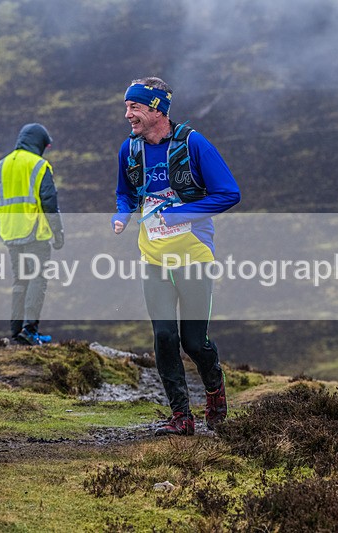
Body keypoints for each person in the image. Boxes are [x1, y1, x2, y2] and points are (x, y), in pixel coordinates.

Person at [112, 77, 241, 435]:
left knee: (193, 342)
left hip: (194, 256)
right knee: (165, 337)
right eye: (126, 107)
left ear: (157, 109)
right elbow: (125, 193)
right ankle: (181, 417)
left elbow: (229, 193)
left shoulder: (193, 143)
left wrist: (182, 215)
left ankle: (214, 389)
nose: (127, 115)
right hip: (153, 259)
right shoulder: (130, 150)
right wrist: (122, 215)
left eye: (134, 107)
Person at [0, 123, 64, 346]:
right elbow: (49, 203)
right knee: (37, 278)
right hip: (36, 233)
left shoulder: (1, 165)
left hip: (11, 234)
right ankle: (30, 329)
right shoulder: (39, 165)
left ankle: (16, 331)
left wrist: (5, 225)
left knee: (20, 280)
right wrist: (57, 232)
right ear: (39, 143)